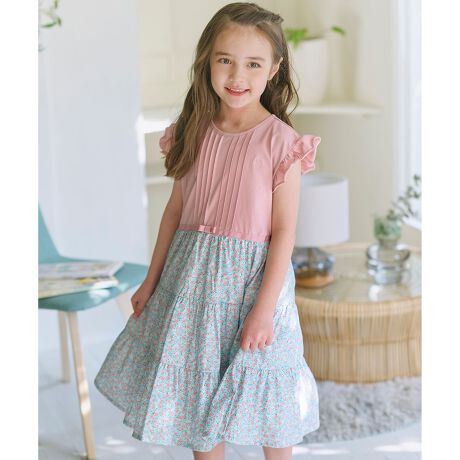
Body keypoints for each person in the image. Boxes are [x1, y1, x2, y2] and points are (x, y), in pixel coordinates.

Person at [94, 2, 321, 459]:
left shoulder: (281, 143)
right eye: (225, 60)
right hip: (191, 283)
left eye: (253, 64)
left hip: (255, 285)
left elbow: (284, 233)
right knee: (197, 395)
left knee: (269, 389)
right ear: (207, 61)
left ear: (274, 69)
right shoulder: (192, 131)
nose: (237, 75)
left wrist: (263, 311)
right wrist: (151, 281)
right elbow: (174, 212)